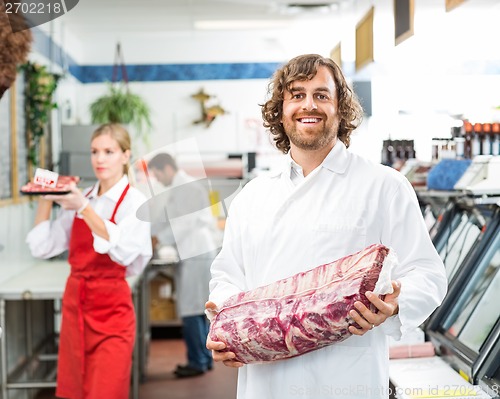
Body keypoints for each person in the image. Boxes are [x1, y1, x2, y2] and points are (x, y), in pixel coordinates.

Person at [206, 54, 448, 399]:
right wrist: (224, 328)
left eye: (321, 95)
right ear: (280, 109)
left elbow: (427, 272)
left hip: (347, 379)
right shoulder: (253, 196)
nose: (309, 105)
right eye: (297, 94)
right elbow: (228, 276)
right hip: (267, 383)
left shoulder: (384, 185)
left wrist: (394, 304)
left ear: (340, 108)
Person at [26, 123, 152, 399]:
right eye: (95, 151)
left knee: (105, 391)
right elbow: (43, 246)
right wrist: (47, 197)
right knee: (74, 392)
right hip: (76, 308)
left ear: (125, 155)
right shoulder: (81, 196)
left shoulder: (134, 202)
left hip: (112, 312)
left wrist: (84, 209)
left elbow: (123, 250)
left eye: (109, 151)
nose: (100, 159)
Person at [148, 153, 216, 378]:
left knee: (191, 308)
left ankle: (198, 361)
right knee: (197, 307)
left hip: (196, 250)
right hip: (193, 250)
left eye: (157, 173)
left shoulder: (185, 188)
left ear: (166, 167)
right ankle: (204, 359)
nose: (158, 179)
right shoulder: (180, 188)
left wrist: (157, 239)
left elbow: (183, 224)